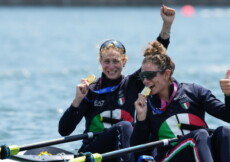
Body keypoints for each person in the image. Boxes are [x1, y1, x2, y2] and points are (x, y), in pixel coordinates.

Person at [58, 5, 175, 162]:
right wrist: (77, 101)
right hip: (94, 153)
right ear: (100, 62)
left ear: (124, 62)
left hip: (123, 151)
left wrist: (166, 25)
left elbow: (157, 54)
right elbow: (64, 130)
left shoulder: (133, 84)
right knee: (125, 126)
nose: (111, 66)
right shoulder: (91, 91)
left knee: (138, 134)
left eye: (116, 61)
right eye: (106, 61)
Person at [131, 40, 230, 162]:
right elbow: (137, 152)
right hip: (167, 157)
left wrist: (228, 95)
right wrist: (140, 119)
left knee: (224, 131)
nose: (145, 81)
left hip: (197, 150)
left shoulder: (194, 91)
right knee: (200, 135)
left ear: (167, 74)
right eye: (142, 76)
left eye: (150, 75)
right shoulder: (146, 106)